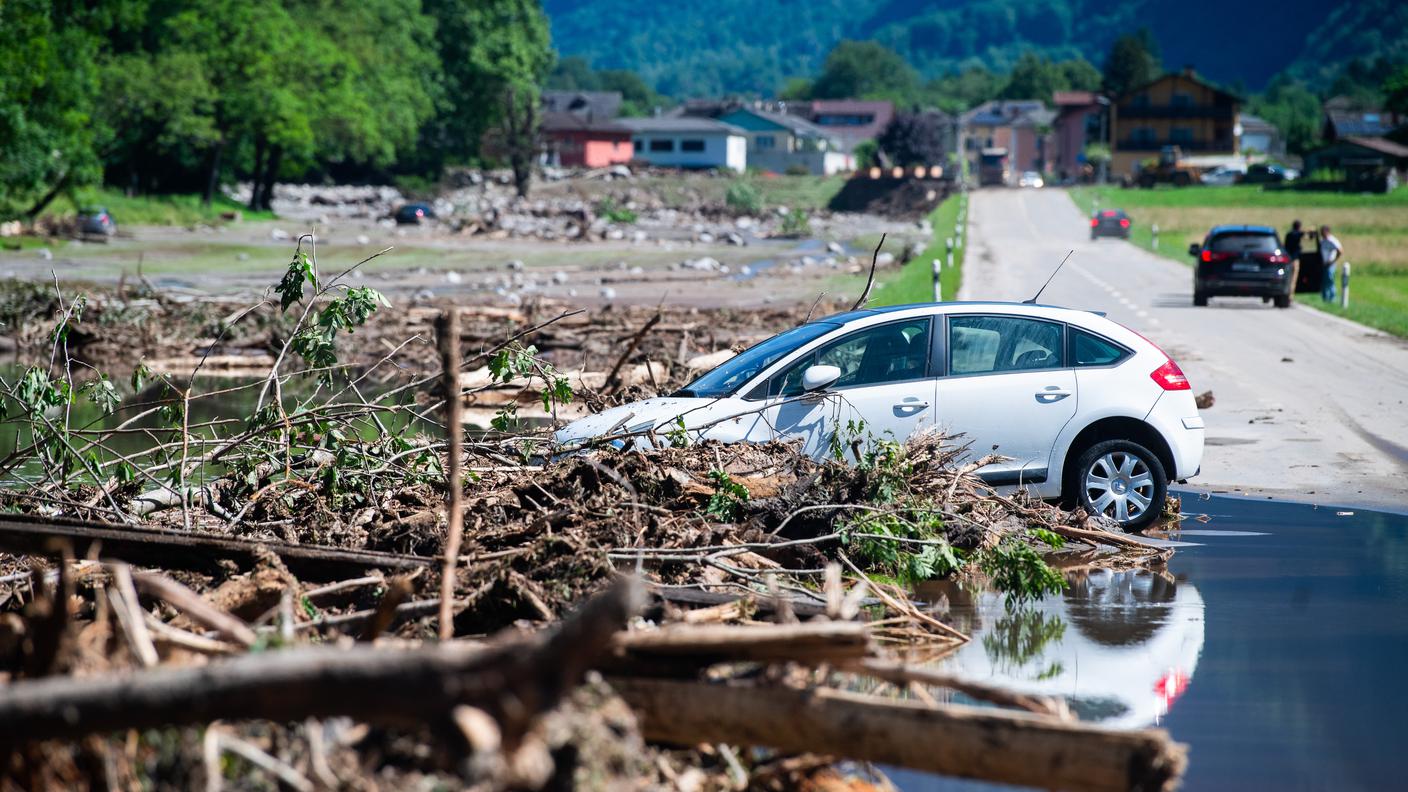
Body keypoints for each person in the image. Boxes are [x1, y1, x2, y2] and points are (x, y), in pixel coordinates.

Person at [1319, 225, 1343, 302]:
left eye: (1323, 232)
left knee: (1330, 280)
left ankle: (1332, 298)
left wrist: (1333, 260)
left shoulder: (1332, 241)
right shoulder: (1322, 241)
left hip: (1330, 264)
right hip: (1323, 264)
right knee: (1323, 281)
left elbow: (1340, 251)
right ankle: (1325, 298)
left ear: (1327, 232)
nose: (1322, 234)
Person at [1285, 220, 1304, 291]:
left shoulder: (1289, 234)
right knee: (1293, 279)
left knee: (1287, 277)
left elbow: (1286, 245)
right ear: (1299, 227)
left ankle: (1286, 292)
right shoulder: (1299, 234)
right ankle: (1290, 295)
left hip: (1288, 259)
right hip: (1295, 259)